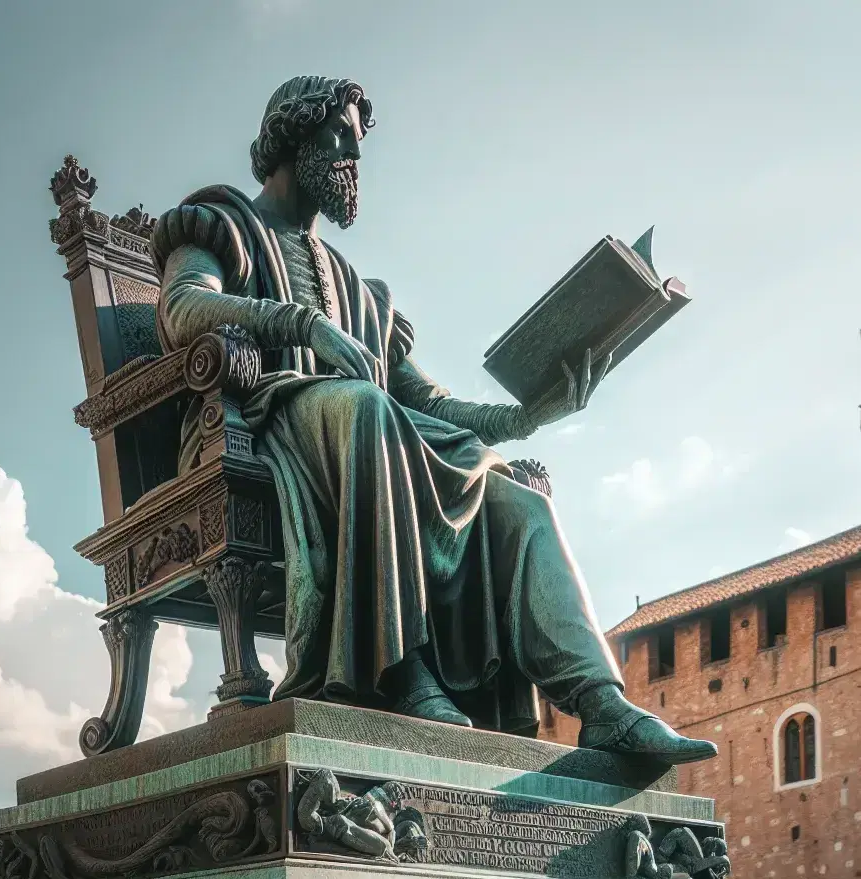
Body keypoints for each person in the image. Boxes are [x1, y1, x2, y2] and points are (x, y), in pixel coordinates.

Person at [150, 75, 717, 760]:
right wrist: (303, 326)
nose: (352, 161)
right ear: (292, 137)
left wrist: (527, 414)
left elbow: (431, 402)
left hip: (372, 431)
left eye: (357, 148)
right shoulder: (220, 223)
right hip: (266, 426)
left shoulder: (362, 290)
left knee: (514, 497)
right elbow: (183, 309)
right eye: (339, 141)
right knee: (368, 408)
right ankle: (401, 669)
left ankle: (599, 701)